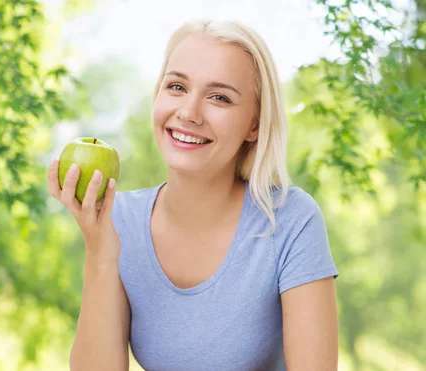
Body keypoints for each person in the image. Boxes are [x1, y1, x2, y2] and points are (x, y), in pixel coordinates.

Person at [48, 19, 339, 371]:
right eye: (176, 87)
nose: (188, 113)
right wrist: (100, 251)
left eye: (219, 97)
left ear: (255, 124)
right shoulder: (118, 218)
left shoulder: (290, 219)